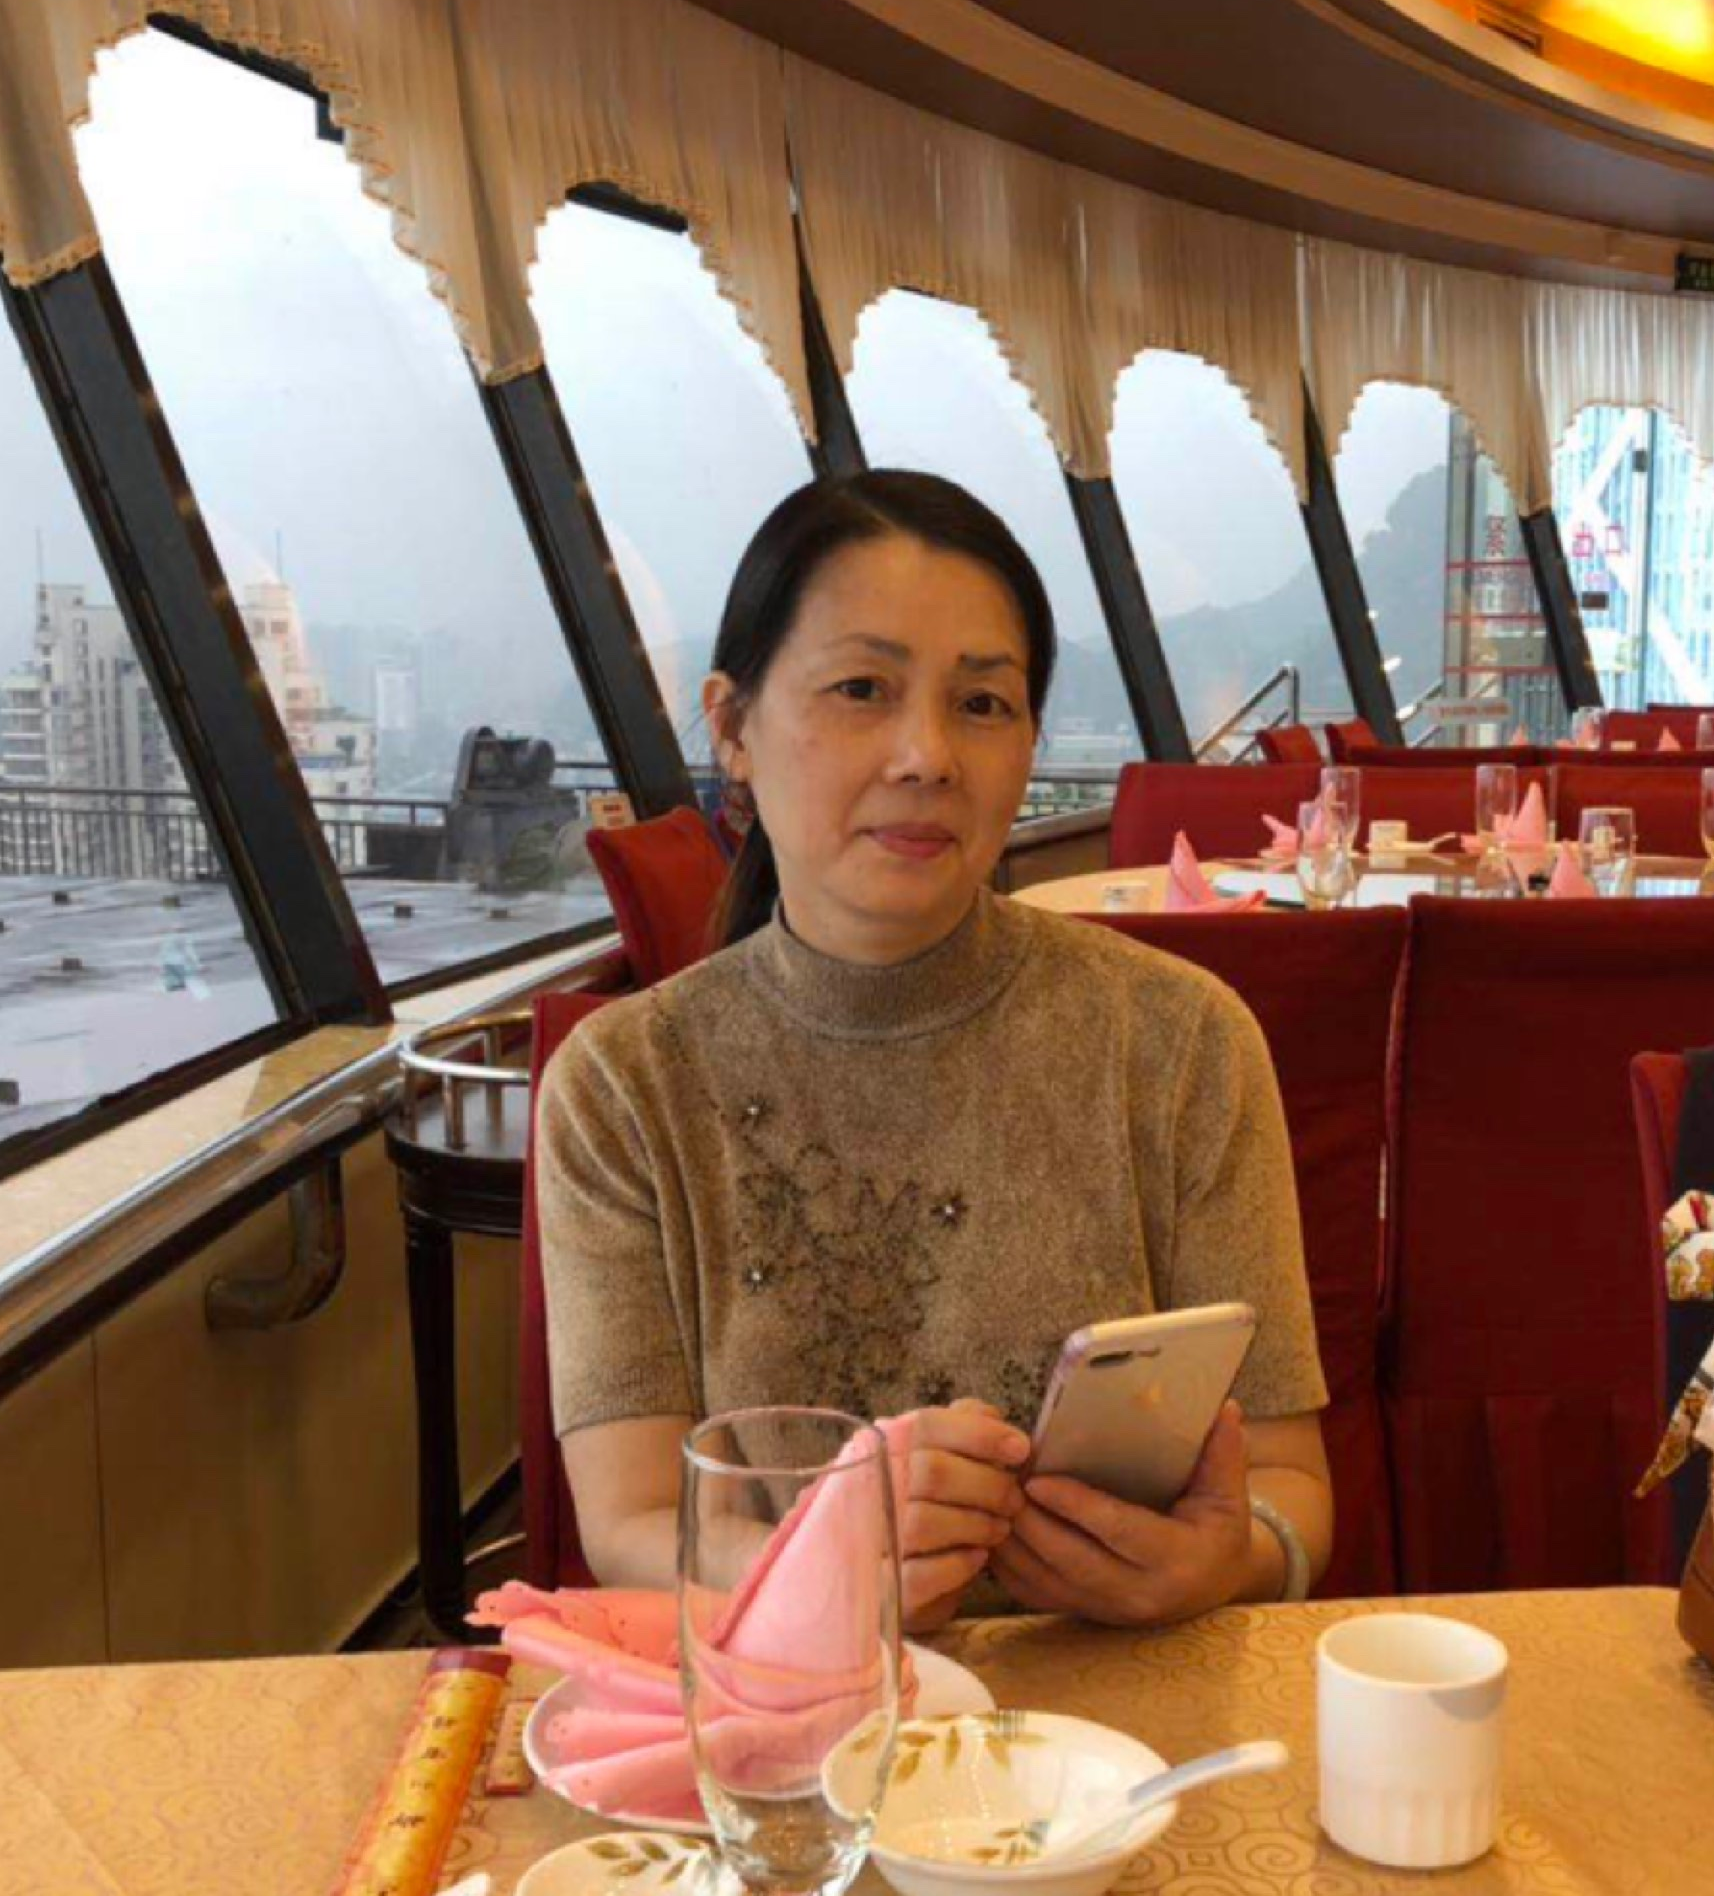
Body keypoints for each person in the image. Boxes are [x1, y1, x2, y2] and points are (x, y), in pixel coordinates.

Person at [536, 470, 1333, 1628]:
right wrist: (831, 1571)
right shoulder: (625, 1084)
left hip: (1111, 1712)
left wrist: (1227, 1564)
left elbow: (1291, 1485)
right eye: (862, 688)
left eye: (982, 703)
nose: (927, 755)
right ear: (733, 726)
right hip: (801, 1705)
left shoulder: (1181, 1041)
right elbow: (634, 1521)